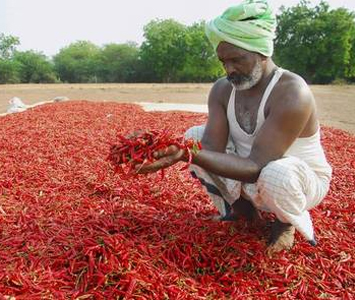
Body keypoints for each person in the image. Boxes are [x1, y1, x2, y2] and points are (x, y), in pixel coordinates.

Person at [136, 0, 332, 254]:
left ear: (262, 52)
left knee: (276, 174)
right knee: (193, 137)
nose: (229, 70)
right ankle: (243, 211)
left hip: (300, 180)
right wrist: (162, 146)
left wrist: (186, 153)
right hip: (256, 168)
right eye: (223, 62)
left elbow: (256, 167)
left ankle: (285, 225)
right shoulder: (222, 89)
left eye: (237, 60)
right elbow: (209, 148)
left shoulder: (292, 92)